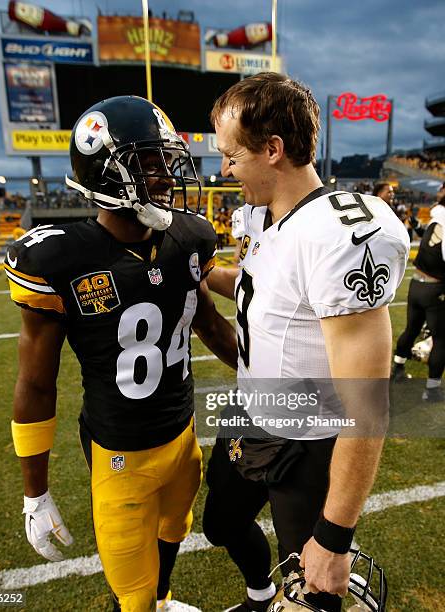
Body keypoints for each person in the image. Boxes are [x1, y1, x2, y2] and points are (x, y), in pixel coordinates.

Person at [5, 96, 238, 612]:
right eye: (147, 164)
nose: (166, 177)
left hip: (183, 435)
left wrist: (269, 381)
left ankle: (167, 597)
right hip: (121, 454)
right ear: (104, 176)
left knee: (174, 529)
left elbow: (209, 324)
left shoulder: (188, 237)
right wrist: (35, 493)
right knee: (131, 598)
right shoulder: (60, 257)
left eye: (166, 161)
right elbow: (36, 385)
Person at [202, 72, 409, 612]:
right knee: (220, 524)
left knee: (314, 584)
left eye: (232, 155)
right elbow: (260, 288)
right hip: (250, 412)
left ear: (273, 149)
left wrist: (336, 535)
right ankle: (258, 593)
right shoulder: (266, 217)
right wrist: (201, 275)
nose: (225, 169)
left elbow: (368, 404)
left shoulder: (338, 232)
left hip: (307, 441)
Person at [391, 182, 445, 402]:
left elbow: (431, 239)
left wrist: (417, 227)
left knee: (411, 329)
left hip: (416, 284)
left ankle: (397, 370)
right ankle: (431, 390)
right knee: (441, 341)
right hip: (436, 288)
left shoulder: (438, 213)